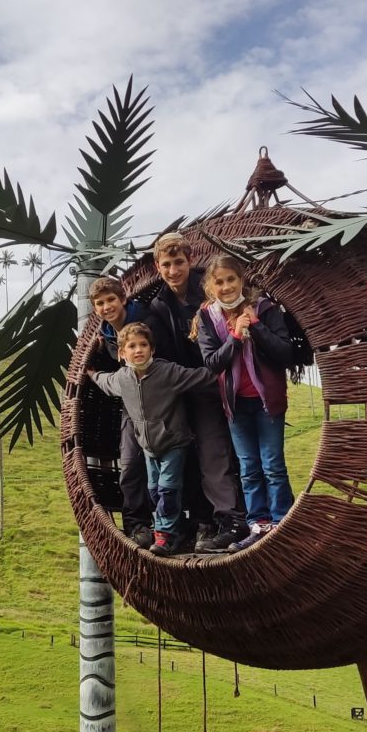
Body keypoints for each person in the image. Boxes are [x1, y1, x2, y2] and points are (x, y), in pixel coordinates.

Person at [147, 233, 248, 552]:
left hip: (212, 383)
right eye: (167, 264)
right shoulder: (159, 304)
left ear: (191, 260)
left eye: (179, 262)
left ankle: (231, 519)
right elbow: (160, 352)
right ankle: (196, 522)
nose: (174, 270)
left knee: (213, 453)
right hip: (179, 389)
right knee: (182, 457)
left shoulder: (210, 288)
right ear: (157, 267)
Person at [192, 254, 295, 552]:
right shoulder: (208, 318)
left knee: (273, 466)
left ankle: (280, 527)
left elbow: (285, 353)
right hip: (236, 405)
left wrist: (257, 326)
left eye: (231, 280)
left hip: (267, 402)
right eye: (219, 282)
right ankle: (258, 528)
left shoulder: (265, 308)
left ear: (241, 280)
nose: (226, 287)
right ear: (211, 286)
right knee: (249, 468)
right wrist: (236, 337)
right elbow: (212, 363)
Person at [88, 323, 215, 557]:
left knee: (167, 489)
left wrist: (225, 369)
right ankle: (175, 528)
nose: (138, 350)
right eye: (132, 346)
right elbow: (105, 382)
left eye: (143, 345)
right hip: (148, 447)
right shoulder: (122, 378)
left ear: (152, 349)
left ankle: (164, 536)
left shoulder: (167, 372)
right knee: (154, 490)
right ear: (122, 353)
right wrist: (92, 373)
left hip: (174, 442)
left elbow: (201, 377)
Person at [88, 276, 152, 548]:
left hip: (160, 401)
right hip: (131, 405)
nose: (106, 307)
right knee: (129, 464)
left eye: (111, 300)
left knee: (163, 466)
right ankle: (137, 526)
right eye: (100, 303)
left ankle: (170, 524)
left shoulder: (146, 320)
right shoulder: (107, 332)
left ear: (123, 298)